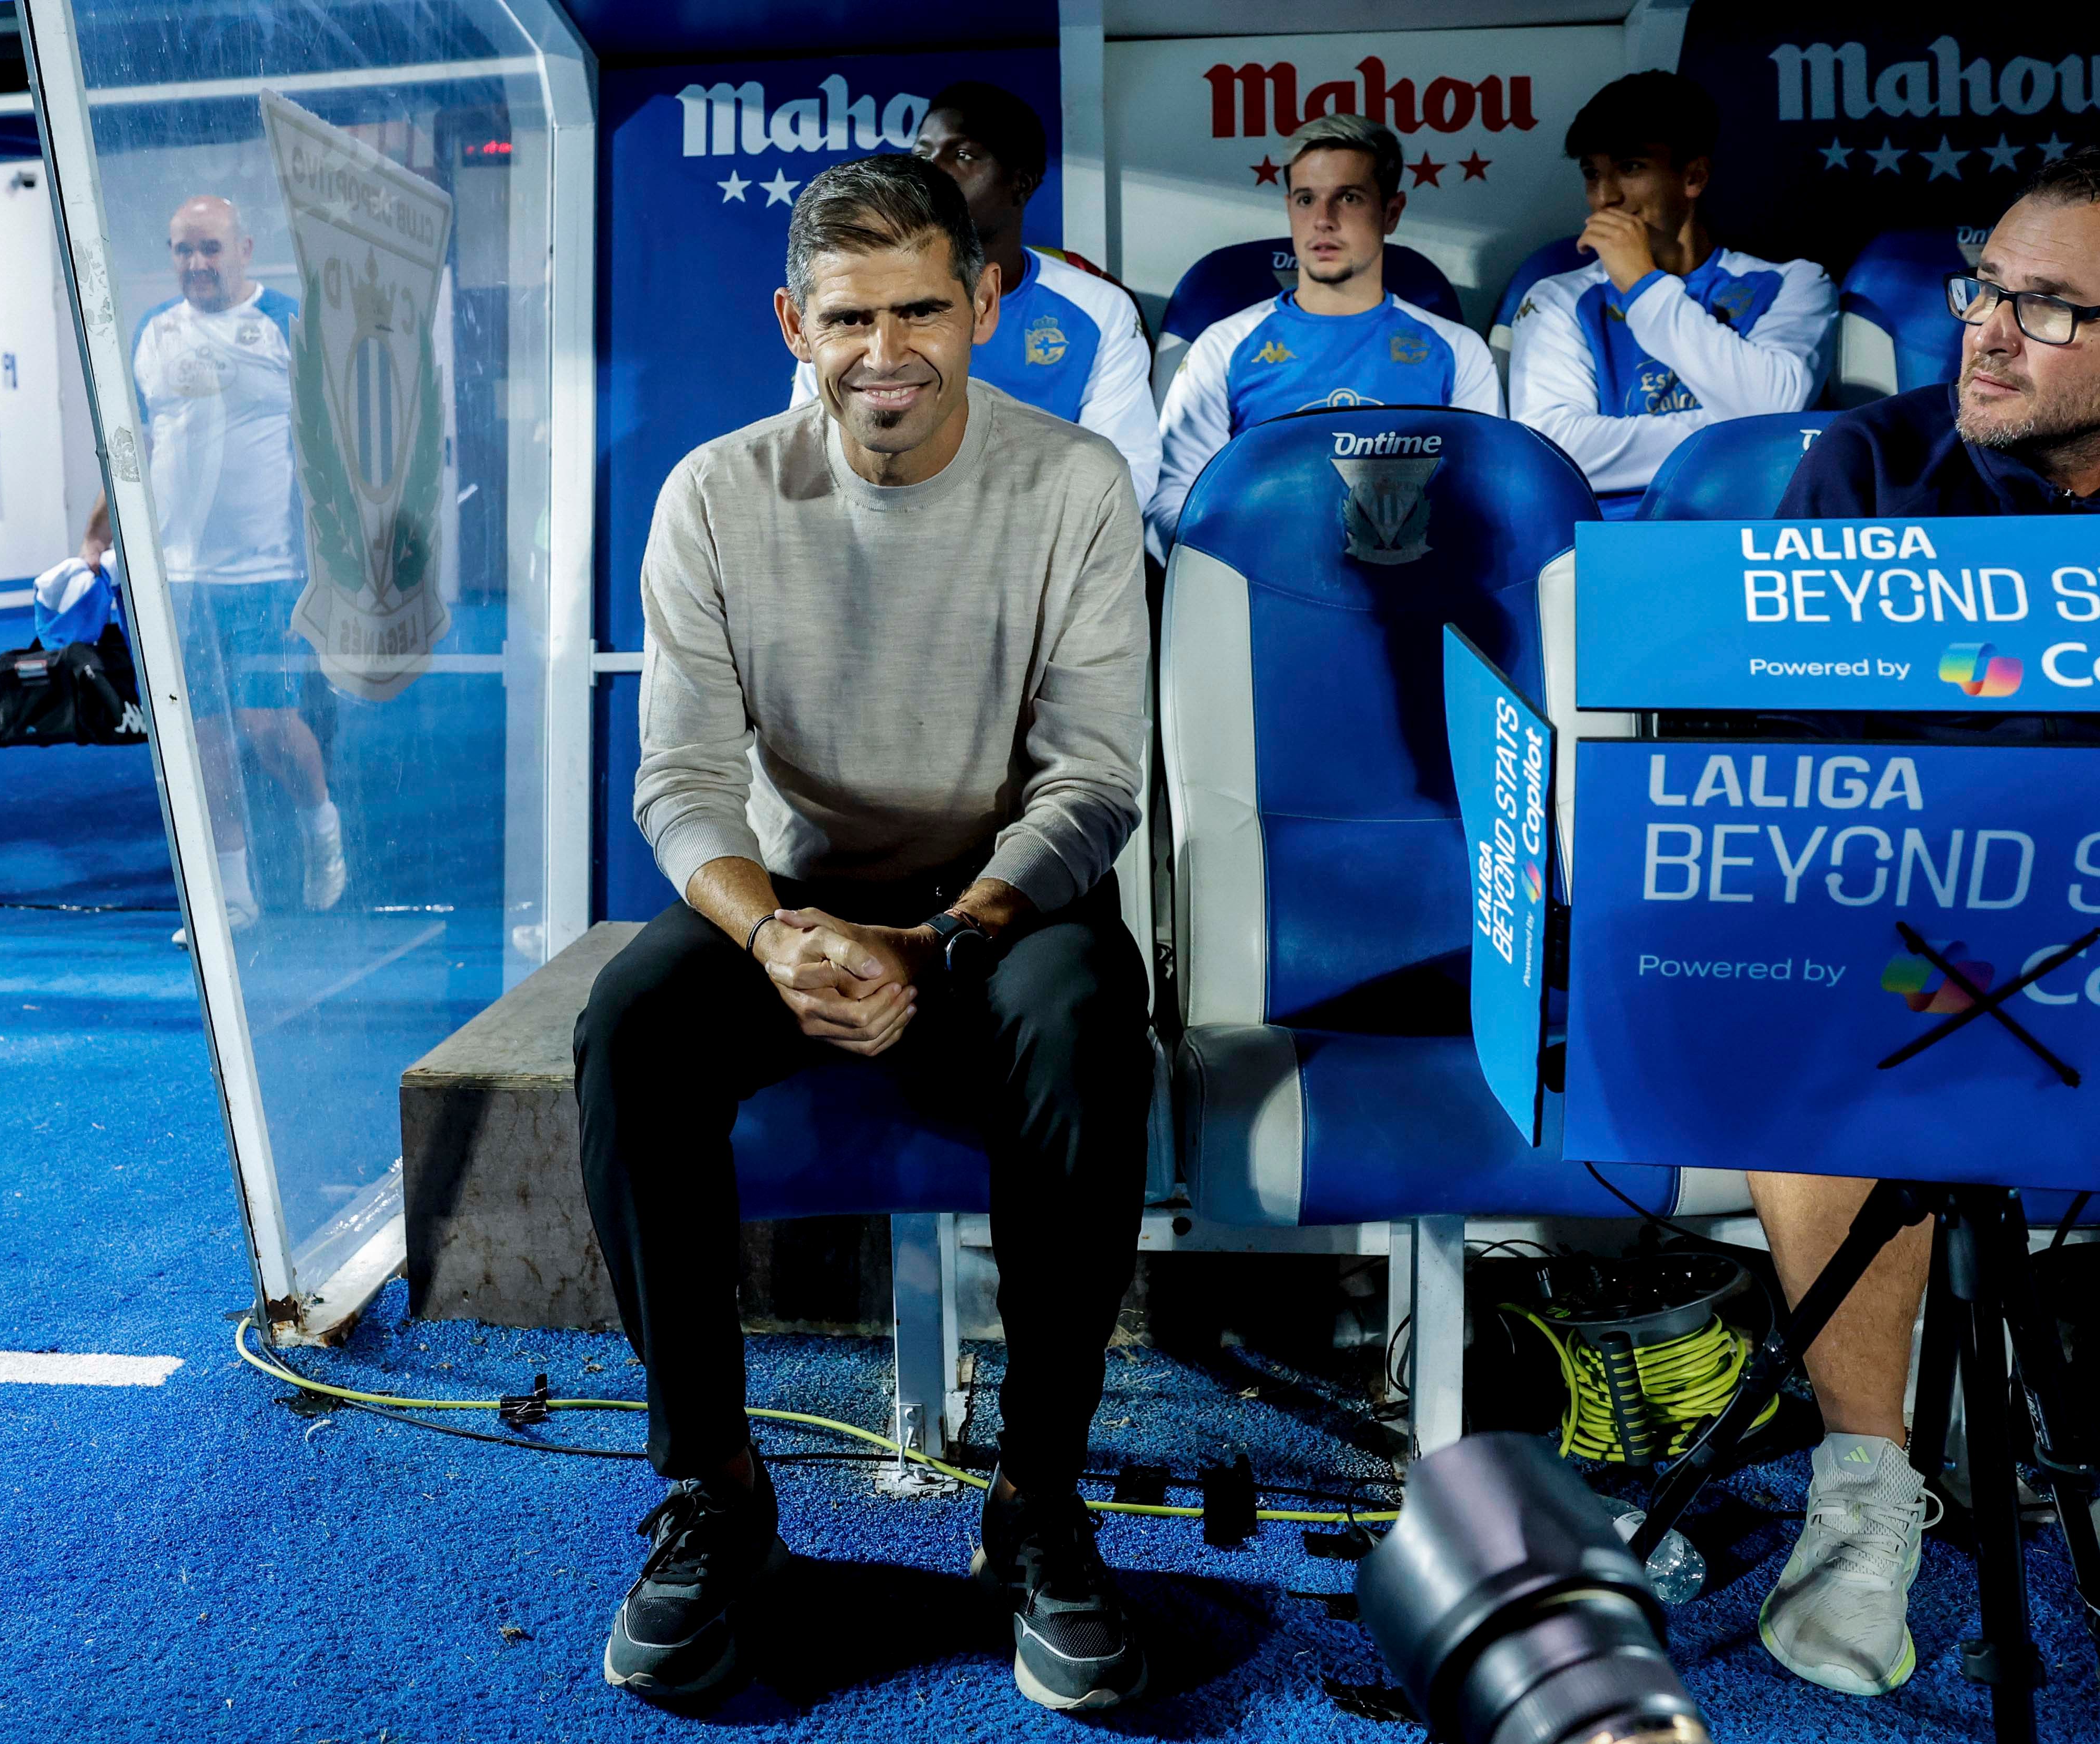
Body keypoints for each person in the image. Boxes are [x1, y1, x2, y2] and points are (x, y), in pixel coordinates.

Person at [578, 153, 1152, 1713]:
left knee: (1088, 1023)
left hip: (999, 909)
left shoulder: (1075, 483)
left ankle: (1036, 1500)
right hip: (801, 908)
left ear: (982, 305)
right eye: (848, 316)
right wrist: (776, 940)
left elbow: (1097, 778)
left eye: (920, 308)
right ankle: (717, 1494)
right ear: (791, 321)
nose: (884, 349)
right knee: (627, 1027)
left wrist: (945, 937)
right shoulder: (713, 493)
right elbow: (683, 784)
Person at [1759, 141, 2100, 1698]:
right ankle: (1864, 1481)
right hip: (1917, 936)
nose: (1986, 331)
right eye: (1980, 290)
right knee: (1812, 994)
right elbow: (1791, 814)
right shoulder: (1861, 473)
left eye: (2046, 306)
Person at [83, 194, 344, 936]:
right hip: (176, 579)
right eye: (182, 250)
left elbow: (331, 455)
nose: (196, 264)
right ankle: (232, 894)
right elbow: (133, 448)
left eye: (210, 249)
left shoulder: (290, 324)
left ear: (245, 247)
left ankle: (321, 824)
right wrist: (95, 538)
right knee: (199, 736)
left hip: (267, 573)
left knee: (268, 727)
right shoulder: (151, 332)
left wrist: (339, 560)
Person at [785, 80, 1158, 511]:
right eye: (923, 153)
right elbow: (817, 452)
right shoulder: (847, 297)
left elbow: (1127, 472)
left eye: (963, 156)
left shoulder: (1098, 307)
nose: (931, 170)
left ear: (1021, 184)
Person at [1152, 112, 1499, 550]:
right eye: (1306, 200)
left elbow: (1488, 493)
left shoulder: (1457, 349)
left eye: (1349, 198)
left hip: (1416, 592)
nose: (1323, 220)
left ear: (1391, 212)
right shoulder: (1223, 346)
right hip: (1265, 587)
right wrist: (1246, 563)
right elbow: (1174, 497)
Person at [1510, 71, 1835, 518]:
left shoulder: (1797, 283)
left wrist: (1643, 286)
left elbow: (1774, 406)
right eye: (1592, 174)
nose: (1604, 197)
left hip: (1759, 541)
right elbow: (1553, 449)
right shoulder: (1557, 297)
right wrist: (1733, 430)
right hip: (1619, 546)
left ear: (1694, 178)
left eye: (1630, 168)